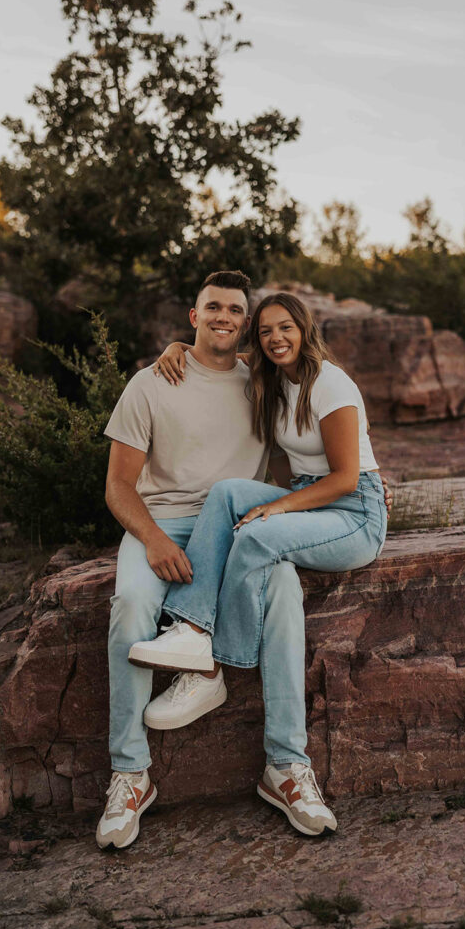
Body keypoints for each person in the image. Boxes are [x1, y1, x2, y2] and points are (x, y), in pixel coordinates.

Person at [96, 272, 391, 850]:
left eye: (236, 310)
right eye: (214, 309)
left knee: (282, 598)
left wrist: (295, 507)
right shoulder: (152, 382)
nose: (224, 318)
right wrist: (154, 540)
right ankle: (130, 775)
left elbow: (322, 459)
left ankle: (285, 766)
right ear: (194, 316)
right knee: (130, 606)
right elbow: (117, 486)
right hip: (162, 523)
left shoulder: (259, 378)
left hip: (236, 524)